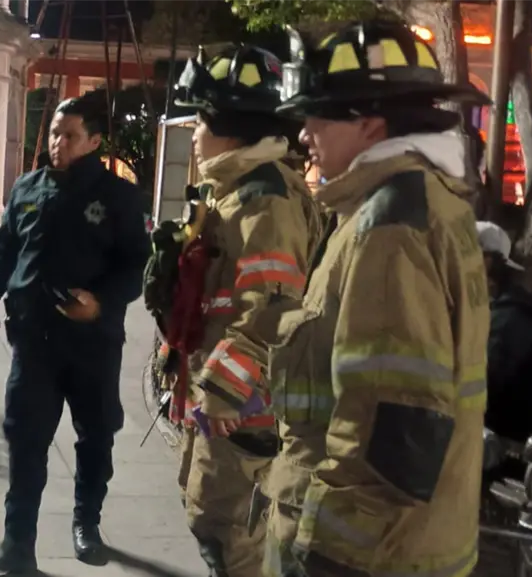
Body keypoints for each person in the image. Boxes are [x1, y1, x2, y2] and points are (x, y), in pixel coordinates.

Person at [264, 21, 491, 576]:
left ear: (368, 123)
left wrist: (325, 555)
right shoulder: (427, 203)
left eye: (317, 118)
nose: (304, 136)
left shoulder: (388, 230)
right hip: (414, 545)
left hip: (369, 554)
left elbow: (390, 429)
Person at [147, 44, 321, 577]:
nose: (195, 134)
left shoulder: (265, 201)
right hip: (223, 405)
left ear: (232, 128)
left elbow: (272, 310)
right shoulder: (235, 192)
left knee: (232, 537)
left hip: (243, 413)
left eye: (202, 121)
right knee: (212, 522)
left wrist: (221, 392)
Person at [0, 94, 151, 573]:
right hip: (33, 341)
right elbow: (5, 247)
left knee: (95, 436)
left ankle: (86, 522)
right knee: (25, 439)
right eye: (55, 133)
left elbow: (136, 266)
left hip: (93, 344)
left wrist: (100, 301)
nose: (59, 143)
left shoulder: (118, 197)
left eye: (70, 135)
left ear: (94, 141)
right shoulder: (27, 187)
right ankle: (17, 544)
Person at [478, 221, 532, 443]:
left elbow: (485, 381)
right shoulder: (497, 308)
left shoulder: (513, 316)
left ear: (486, 262)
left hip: (504, 444)